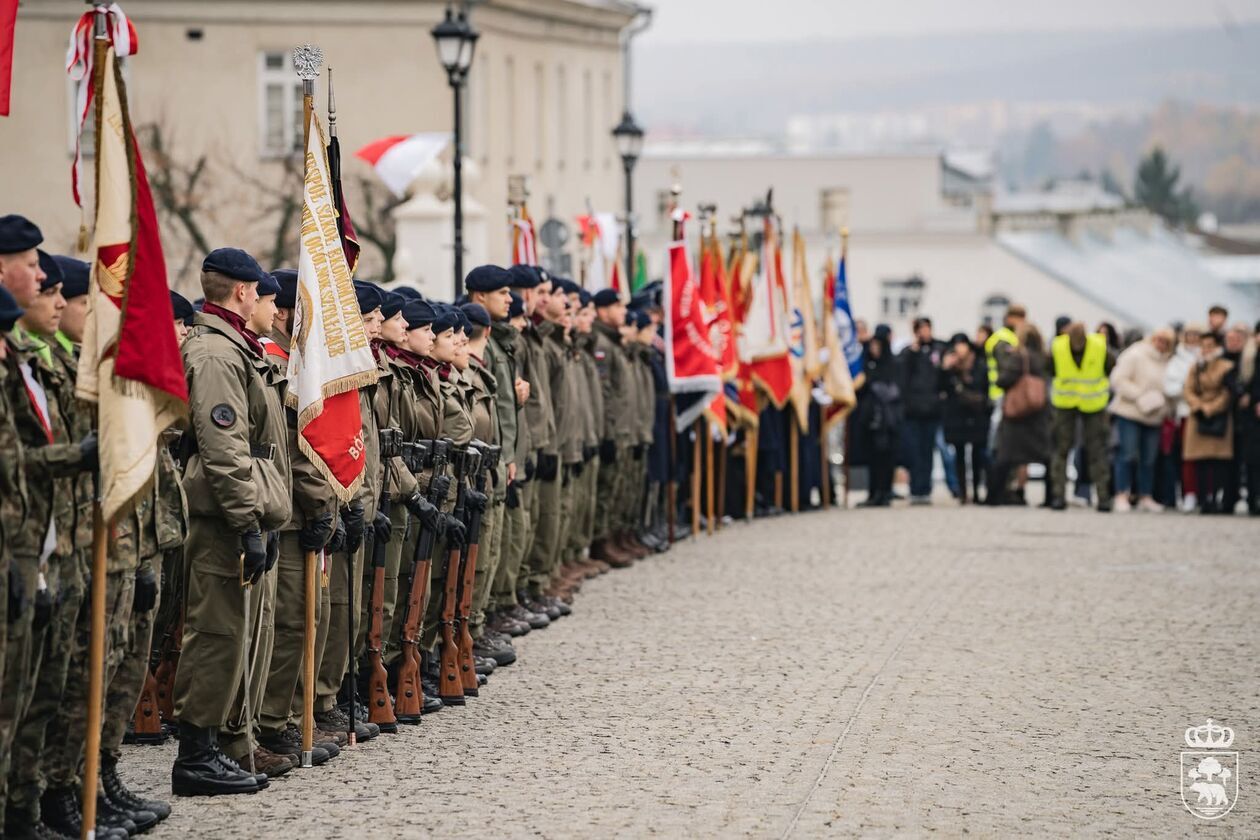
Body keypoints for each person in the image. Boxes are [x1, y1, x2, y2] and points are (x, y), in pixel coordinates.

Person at [171, 248, 292, 796]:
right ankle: (196, 755)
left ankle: (221, 745)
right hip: (224, 514)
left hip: (242, 510)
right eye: (266, 295)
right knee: (217, 633)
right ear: (241, 292)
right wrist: (246, 519)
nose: (274, 306)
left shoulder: (235, 349)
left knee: (237, 632)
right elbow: (224, 449)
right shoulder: (218, 355)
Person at [1047, 323, 1115, 512]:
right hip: (1065, 403)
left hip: (1093, 404)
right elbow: (1050, 369)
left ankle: (1103, 498)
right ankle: (1058, 496)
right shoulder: (1057, 346)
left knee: (1097, 450)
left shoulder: (1099, 346)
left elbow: (1111, 368)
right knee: (1061, 449)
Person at [1108, 328, 1173, 511]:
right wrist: (1140, 396)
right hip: (1130, 412)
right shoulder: (1135, 354)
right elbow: (1118, 379)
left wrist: (1163, 404)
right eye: (1159, 339)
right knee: (1127, 455)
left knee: (1149, 459)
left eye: (1166, 342)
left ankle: (1145, 495)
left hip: (1155, 415)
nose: (1161, 344)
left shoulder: (1168, 361)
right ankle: (1122, 494)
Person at [987, 324, 1051, 506]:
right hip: (1038, 411)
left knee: (1005, 455)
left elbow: (1003, 380)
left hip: (1017, 412)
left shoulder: (1019, 357)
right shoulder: (1044, 357)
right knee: (1045, 455)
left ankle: (994, 496)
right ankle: (1051, 496)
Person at [1182, 331, 1236, 514]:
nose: (1205, 350)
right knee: (1200, 462)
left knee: (1217, 462)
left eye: (1209, 346)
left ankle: (1217, 499)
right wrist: (1198, 405)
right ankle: (1202, 498)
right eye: (1203, 346)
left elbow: (1227, 392)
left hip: (1218, 418)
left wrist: (1211, 408)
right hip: (1198, 417)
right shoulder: (1195, 366)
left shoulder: (1226, 366)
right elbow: (1187, 389)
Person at [898, 317, 945, 504]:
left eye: (928, 328)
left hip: (932, 410)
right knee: (914, 451)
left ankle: (925, 488)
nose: (926, 332)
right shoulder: (909, 353)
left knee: (928, 451)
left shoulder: (939, 349)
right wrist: (913, 353)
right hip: (912, 411)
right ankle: (915, 488)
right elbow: (902, 376)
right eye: (922, 329)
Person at [940, 333, 989, 504]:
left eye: (962, 344)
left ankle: (976, 491)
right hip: (956, 414)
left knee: (976, 455)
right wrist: (946, 369)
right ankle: (962, 492)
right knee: (958, 454)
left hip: (976, 414)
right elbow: (941, 387)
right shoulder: (950, 366)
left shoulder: (979, 364)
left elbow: (984, 388)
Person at [855, 328, 902, 507]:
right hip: (870, 419)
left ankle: (884, 491)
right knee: (872, 457)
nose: (874, 348)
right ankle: (873, 492)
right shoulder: (867, 364)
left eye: (877, 345)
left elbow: (894, 391)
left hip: (887, 420)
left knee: (886, 458)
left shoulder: (893, 364)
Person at [1164, 323, 1202, 511]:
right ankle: (1189, 493)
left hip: (1206, 413)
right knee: (1187, 457)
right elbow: (1170, 387)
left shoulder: (1207, 357)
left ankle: (1203, 494)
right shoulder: (1177, 360)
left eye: (1197, 335)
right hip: (1185, 412)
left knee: (1205, 459)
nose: (1193, 339)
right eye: (1190, 335)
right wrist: (1190, 391)